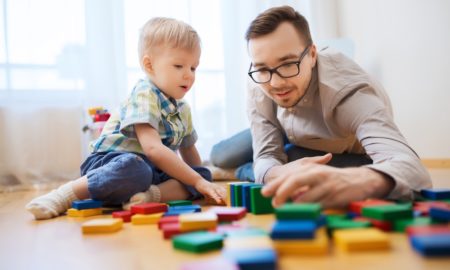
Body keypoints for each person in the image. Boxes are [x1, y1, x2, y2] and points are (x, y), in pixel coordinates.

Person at [210, 6, 431, 209]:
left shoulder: (350, 92)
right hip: (285, 131)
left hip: (339, 151)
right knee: (221, 156)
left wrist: (362, 181)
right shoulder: (260, 81)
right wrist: (274, 171)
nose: (275, 83)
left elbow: (413, 170)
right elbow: (268, 153)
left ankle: (245, 170)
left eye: (288, 64)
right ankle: (249, 168)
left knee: (294, 159)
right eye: (262, 68)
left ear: (313, 55)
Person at [26, 17, 226, 220]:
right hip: (112, 163)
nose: (189, 75)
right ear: (149, 65)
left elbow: (189, 151)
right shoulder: (144, 94)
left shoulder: (183, 109)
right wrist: (196, 182)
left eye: (193, 68)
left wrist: (202, 182)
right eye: (178, 66)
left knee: (201, 173)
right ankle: (65, 194)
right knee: (137, 168)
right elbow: (153, 149)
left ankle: (148, 196)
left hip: (151, 174)